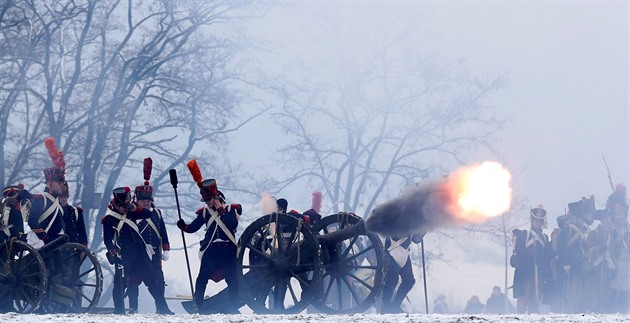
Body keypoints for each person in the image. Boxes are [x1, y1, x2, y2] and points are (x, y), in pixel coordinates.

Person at [177, 160, 241, 314]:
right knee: (201, 279)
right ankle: (197, 307)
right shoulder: (205, 213)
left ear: (217, 197)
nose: (207, 203)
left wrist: (221, 210)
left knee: (232, 280)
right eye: (205, 200)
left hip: (227, 249)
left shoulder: (232, 209)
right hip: (211, 250)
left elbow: (232, 224)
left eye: (209, 199)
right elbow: (193, 228)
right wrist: (183, 226)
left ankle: (233, 308)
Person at [101, 186, 169, 314]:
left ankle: (163, 308)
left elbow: (148, 214)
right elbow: (108, 240)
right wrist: (113, 251)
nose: (124, 209)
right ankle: (119, 310)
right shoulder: (109, 220)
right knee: (120, 283)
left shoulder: (132, 212)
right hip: (124, 255)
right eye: (123, 206)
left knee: (152, 281)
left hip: (140, 253)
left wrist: (134, 208)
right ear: (116, 205)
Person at [125, 158, 173, 314]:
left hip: (154, 254)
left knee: (159, 280)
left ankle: (161, 308)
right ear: (137, 200)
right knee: (133, 281)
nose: (146, 203)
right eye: (143, 200)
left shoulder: (157, 213)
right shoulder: (131, 215)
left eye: (148, 200)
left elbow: (162, 232)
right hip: (137, 254)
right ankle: (133, 308)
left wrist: (166, 248)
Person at [510, 205, 553, 314]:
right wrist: (528, 253)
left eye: (541, 221)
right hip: (525, 274)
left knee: (535, 301)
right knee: (523, 302)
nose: (539, 224)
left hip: (538, 273)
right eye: (536, 221)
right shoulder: (524, 234)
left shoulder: (544, 237)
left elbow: (546, 255)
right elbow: (519, 252)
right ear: (532, 221)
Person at [27, 138, 67, 247]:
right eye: (59, 183)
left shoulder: (57, 202)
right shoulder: (41, 199)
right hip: (41, 244)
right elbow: (31, 220)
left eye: (62, 183)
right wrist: (44, 237)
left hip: (54, 244)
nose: (62, 186)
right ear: (50, 183)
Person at [556, 198, 593, 313]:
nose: (582, 220)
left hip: (580, 269)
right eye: (580, 218)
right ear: (574, 217)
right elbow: (561, 250)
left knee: (581, 298)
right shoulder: (566, 231)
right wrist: (566, 264)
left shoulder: (582, 232)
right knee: (572, 299)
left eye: (582, 218)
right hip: (570, 271)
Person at [381, 233, 423, 313]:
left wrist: (423, 228)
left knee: (409, 281)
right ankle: (385, 307)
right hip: (392, 249)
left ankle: (395, 306)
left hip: (404, 252)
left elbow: (416, 239)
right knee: (392, 279)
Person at [59, 181, 87, 246]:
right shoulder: (54, 212)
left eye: (65, 196)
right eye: (61, 196)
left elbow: (82, 233)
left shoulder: (76, 212)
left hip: (74, 249)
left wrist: (83, 249)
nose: (64, 199)